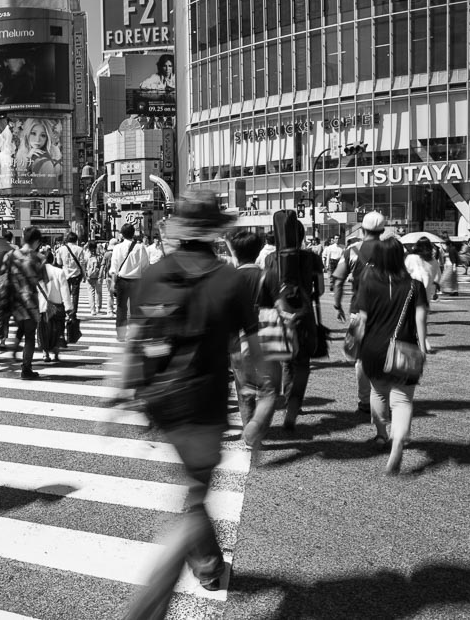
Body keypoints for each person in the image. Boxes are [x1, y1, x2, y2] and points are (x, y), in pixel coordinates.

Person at [116, 191, 265, 616]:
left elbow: (134, 339)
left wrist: (122, 395)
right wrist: (260, 394)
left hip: (161, 400)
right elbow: (247, 352)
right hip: (204, 402)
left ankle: (209, 563)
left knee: (195, 490)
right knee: (196, 496)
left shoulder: (154, 272)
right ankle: (149, 605)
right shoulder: (231, 280)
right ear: (217, 232)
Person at [353, 237, 429, 475]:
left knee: (377, 392)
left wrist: (354, 345)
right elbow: (420, 320)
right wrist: (423, 348)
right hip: (404, 349)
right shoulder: (415, 286)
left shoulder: (368, 284)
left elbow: (362, 320)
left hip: (373, 348)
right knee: (402, 399)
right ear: (401, 258)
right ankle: (398, 440)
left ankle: (381, 434)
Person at [261, 218, 325, 431]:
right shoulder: (312, 258)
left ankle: (287, 399)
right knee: (303, 364)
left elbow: (267, 288)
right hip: (304, 315)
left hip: (281, 315)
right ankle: (294, 407)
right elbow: (322, 289)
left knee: (287, 363)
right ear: (301, 236)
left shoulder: (271, 258)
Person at [226, 230, 277, 447]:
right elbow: (281, 307)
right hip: (267, 336)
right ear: (258, 251)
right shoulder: (269, 275)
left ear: (235, 252)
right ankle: (258, 428)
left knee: (244, 388)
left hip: (238, 339)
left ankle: (250, 434)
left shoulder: (229, 278)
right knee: (269, 389)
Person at [334, 212, 387, 414]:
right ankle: (383, 398)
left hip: (359, 310)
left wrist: (337, 305)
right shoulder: (391, 250)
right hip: (386, 311)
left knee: (361, 358)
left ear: (362, 229)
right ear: (382, 230)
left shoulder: (351, 251)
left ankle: (365, 401)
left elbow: (338, 280)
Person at [0, 227, 47, 379]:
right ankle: (26, 368)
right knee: (30, 335)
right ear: (37, 241)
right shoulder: (39, 257)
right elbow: (43, 279)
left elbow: (2, 274)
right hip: (30, 301)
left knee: (21, 328)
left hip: (14, 300)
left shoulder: (10, 255)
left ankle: (14, 350)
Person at [109, 223, 149, 342]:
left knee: (121, 308)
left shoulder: (117, 248)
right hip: (137, 280)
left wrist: (112, 284)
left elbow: (114, 268)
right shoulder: (140, 247)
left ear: (122, 234)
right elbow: (145, 266)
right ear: (133, 233)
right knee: (136, 308)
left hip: (122, 281)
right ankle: (135, 334)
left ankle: (121, 335)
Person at [38, 261, 72, 363]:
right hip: (57, 305)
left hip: (43, 306)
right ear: (53, 260)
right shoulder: (59, 271)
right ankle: (56, 352)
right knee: (57, 329)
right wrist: (68, 307)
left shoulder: (37, 272)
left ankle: (45, 353)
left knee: (43, 330)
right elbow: (65, 290)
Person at [405, 237, 442, 310]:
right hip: (426, 290)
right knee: (422, 310)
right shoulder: (433, 261)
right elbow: (437, 276)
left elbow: (405, 272)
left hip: (412, 288)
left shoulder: (411, 258)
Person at [54, 232, 85, 316]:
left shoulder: (61, 249)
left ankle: (66, 311)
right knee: (75, 294)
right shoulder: (80, 249)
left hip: (65, 274)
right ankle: (73, 312)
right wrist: (84, 274)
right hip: (76, 273)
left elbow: (59, 262)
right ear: (76, 239)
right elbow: (82, 263)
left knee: (65, 293)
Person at [84, 242, 103, 316]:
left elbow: (84, 265)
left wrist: (85, 275)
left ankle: (92, 310)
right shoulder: (99, 256)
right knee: (99, 292)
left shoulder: (86, 256)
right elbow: (102, 266)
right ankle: (98, 307)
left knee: (91, 293)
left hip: (89, 276)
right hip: (98, 276)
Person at [101, 238, 116, 316]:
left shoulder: (106, 254)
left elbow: (102, 265)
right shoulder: (118, 253)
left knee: (110, 294)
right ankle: (117, 309)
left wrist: (100, 276)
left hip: (108, 275)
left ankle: (109, 310)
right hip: (117, 276)